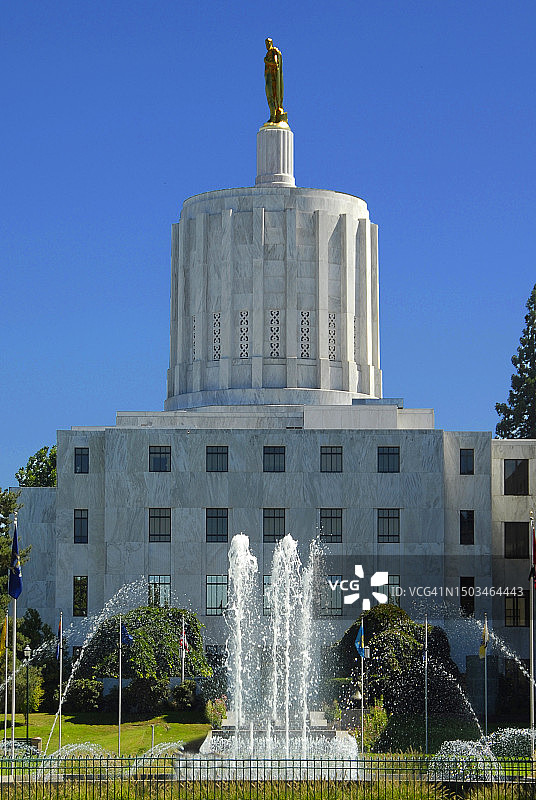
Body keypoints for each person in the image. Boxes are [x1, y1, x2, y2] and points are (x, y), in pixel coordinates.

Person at [264, 38, 287, 125]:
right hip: (269, 77)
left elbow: (275, 63)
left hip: (273, 78)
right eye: (266, 43)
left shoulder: (273, 51)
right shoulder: (268, 53)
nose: (267, 45)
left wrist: (266, 61)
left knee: (274, 96)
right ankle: (272, 114)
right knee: (269, 96)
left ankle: (274, 115)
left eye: (268, 43)